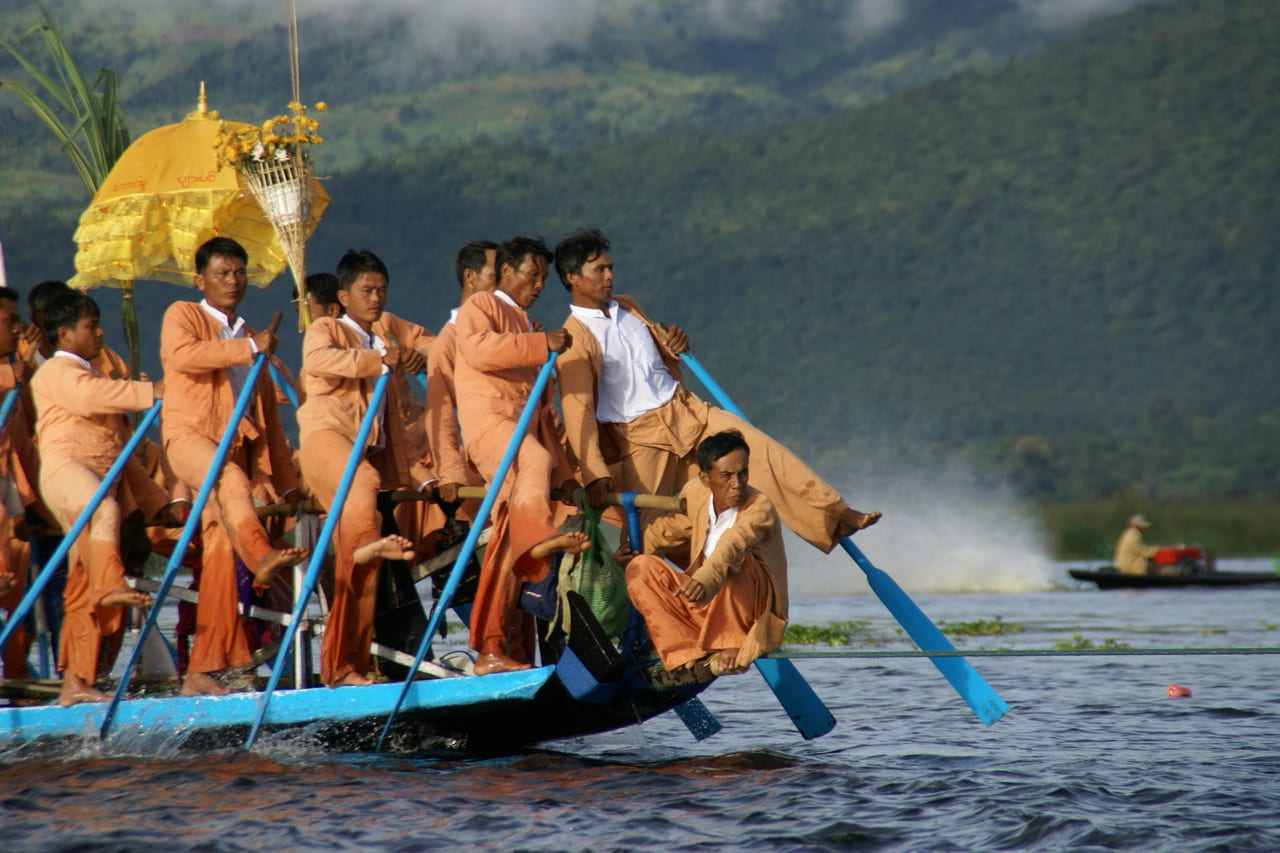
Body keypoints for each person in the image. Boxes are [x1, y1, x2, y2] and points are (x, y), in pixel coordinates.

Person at [554, 227, 880, 552]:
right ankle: (636, 585)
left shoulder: (627, 306)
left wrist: (673, 342)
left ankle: (834, 514)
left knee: (764, 452)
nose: (609, 275)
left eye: (611, 267)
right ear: (573, 278)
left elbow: (655, 355)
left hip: (689, 410)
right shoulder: (574, 339)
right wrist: (596, 474)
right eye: (600, 269)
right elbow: (578, 413)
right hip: (641, 436)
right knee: (646, 532)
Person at [160, 236, 307, 696]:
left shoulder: (250, 337)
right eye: (222, 273)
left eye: (239, 272)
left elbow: (271, 430)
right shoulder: (184, 314)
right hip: (190, 440)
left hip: (234, 453)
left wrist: (287, 488)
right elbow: (183, 356)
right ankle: (260, 554)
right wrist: (247, 349)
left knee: (221, 551)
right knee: (230, 479)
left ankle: (204, 668)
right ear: (200, 279)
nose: (233, 281)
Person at [31, 291, 182, 705]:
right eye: (89, 326)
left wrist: (158, 505)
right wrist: (149, 392)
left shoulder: (95, 377)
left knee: (81, 584)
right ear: (64, 334)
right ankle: (111, 585)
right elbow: (84, 396)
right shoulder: (56, 372)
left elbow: (125, 457)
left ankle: (76, 681)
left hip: (101, 480)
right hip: (67, 475)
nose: (99, 333)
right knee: (104, 508)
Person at [297, 249, 436, 687]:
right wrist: (380, 361)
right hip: (326, 440)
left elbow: (433, 345)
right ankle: (363, 543)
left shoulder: (388, 330)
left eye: (381, 290)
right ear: (343, 295)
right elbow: (318, 361)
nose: (375, 298)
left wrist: (418, 358)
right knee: (365, 485)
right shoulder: (327, 327)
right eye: (366, 291)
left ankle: (342, 668)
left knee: (360, 570)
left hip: (363, 451)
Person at [453, 235, 589, 674]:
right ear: (506, 272)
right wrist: (540, 346)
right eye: (532, 275)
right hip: (491, 426)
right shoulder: (481, 307)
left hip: (524, 434)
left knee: (510, 537)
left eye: (544, 279)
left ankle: (495, 650)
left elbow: (545, 414)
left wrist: (568, 472)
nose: (538, 285)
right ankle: (539, 542)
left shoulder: (531, 327)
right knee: (534, 460)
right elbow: (477, 349)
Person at [617, 430, 787, 682]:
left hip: (748, 609)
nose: (737, 484)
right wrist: (629, 551)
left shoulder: (759, 506)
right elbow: (667, 530)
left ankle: (732, 641)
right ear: (705, 478)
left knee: (740, 560)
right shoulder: (696, 493)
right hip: (706, 599)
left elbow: (732, 545)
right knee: (640, 567)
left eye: (743, 473)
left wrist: (705, 580)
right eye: (727, 476)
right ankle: (683, 652)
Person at [426, 240, 497, 506]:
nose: (502, 285)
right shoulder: (447, 342)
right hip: (484, 455)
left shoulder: (511, 331)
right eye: (494, 277)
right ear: (470, 277)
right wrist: (452, 474)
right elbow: (441, 414)